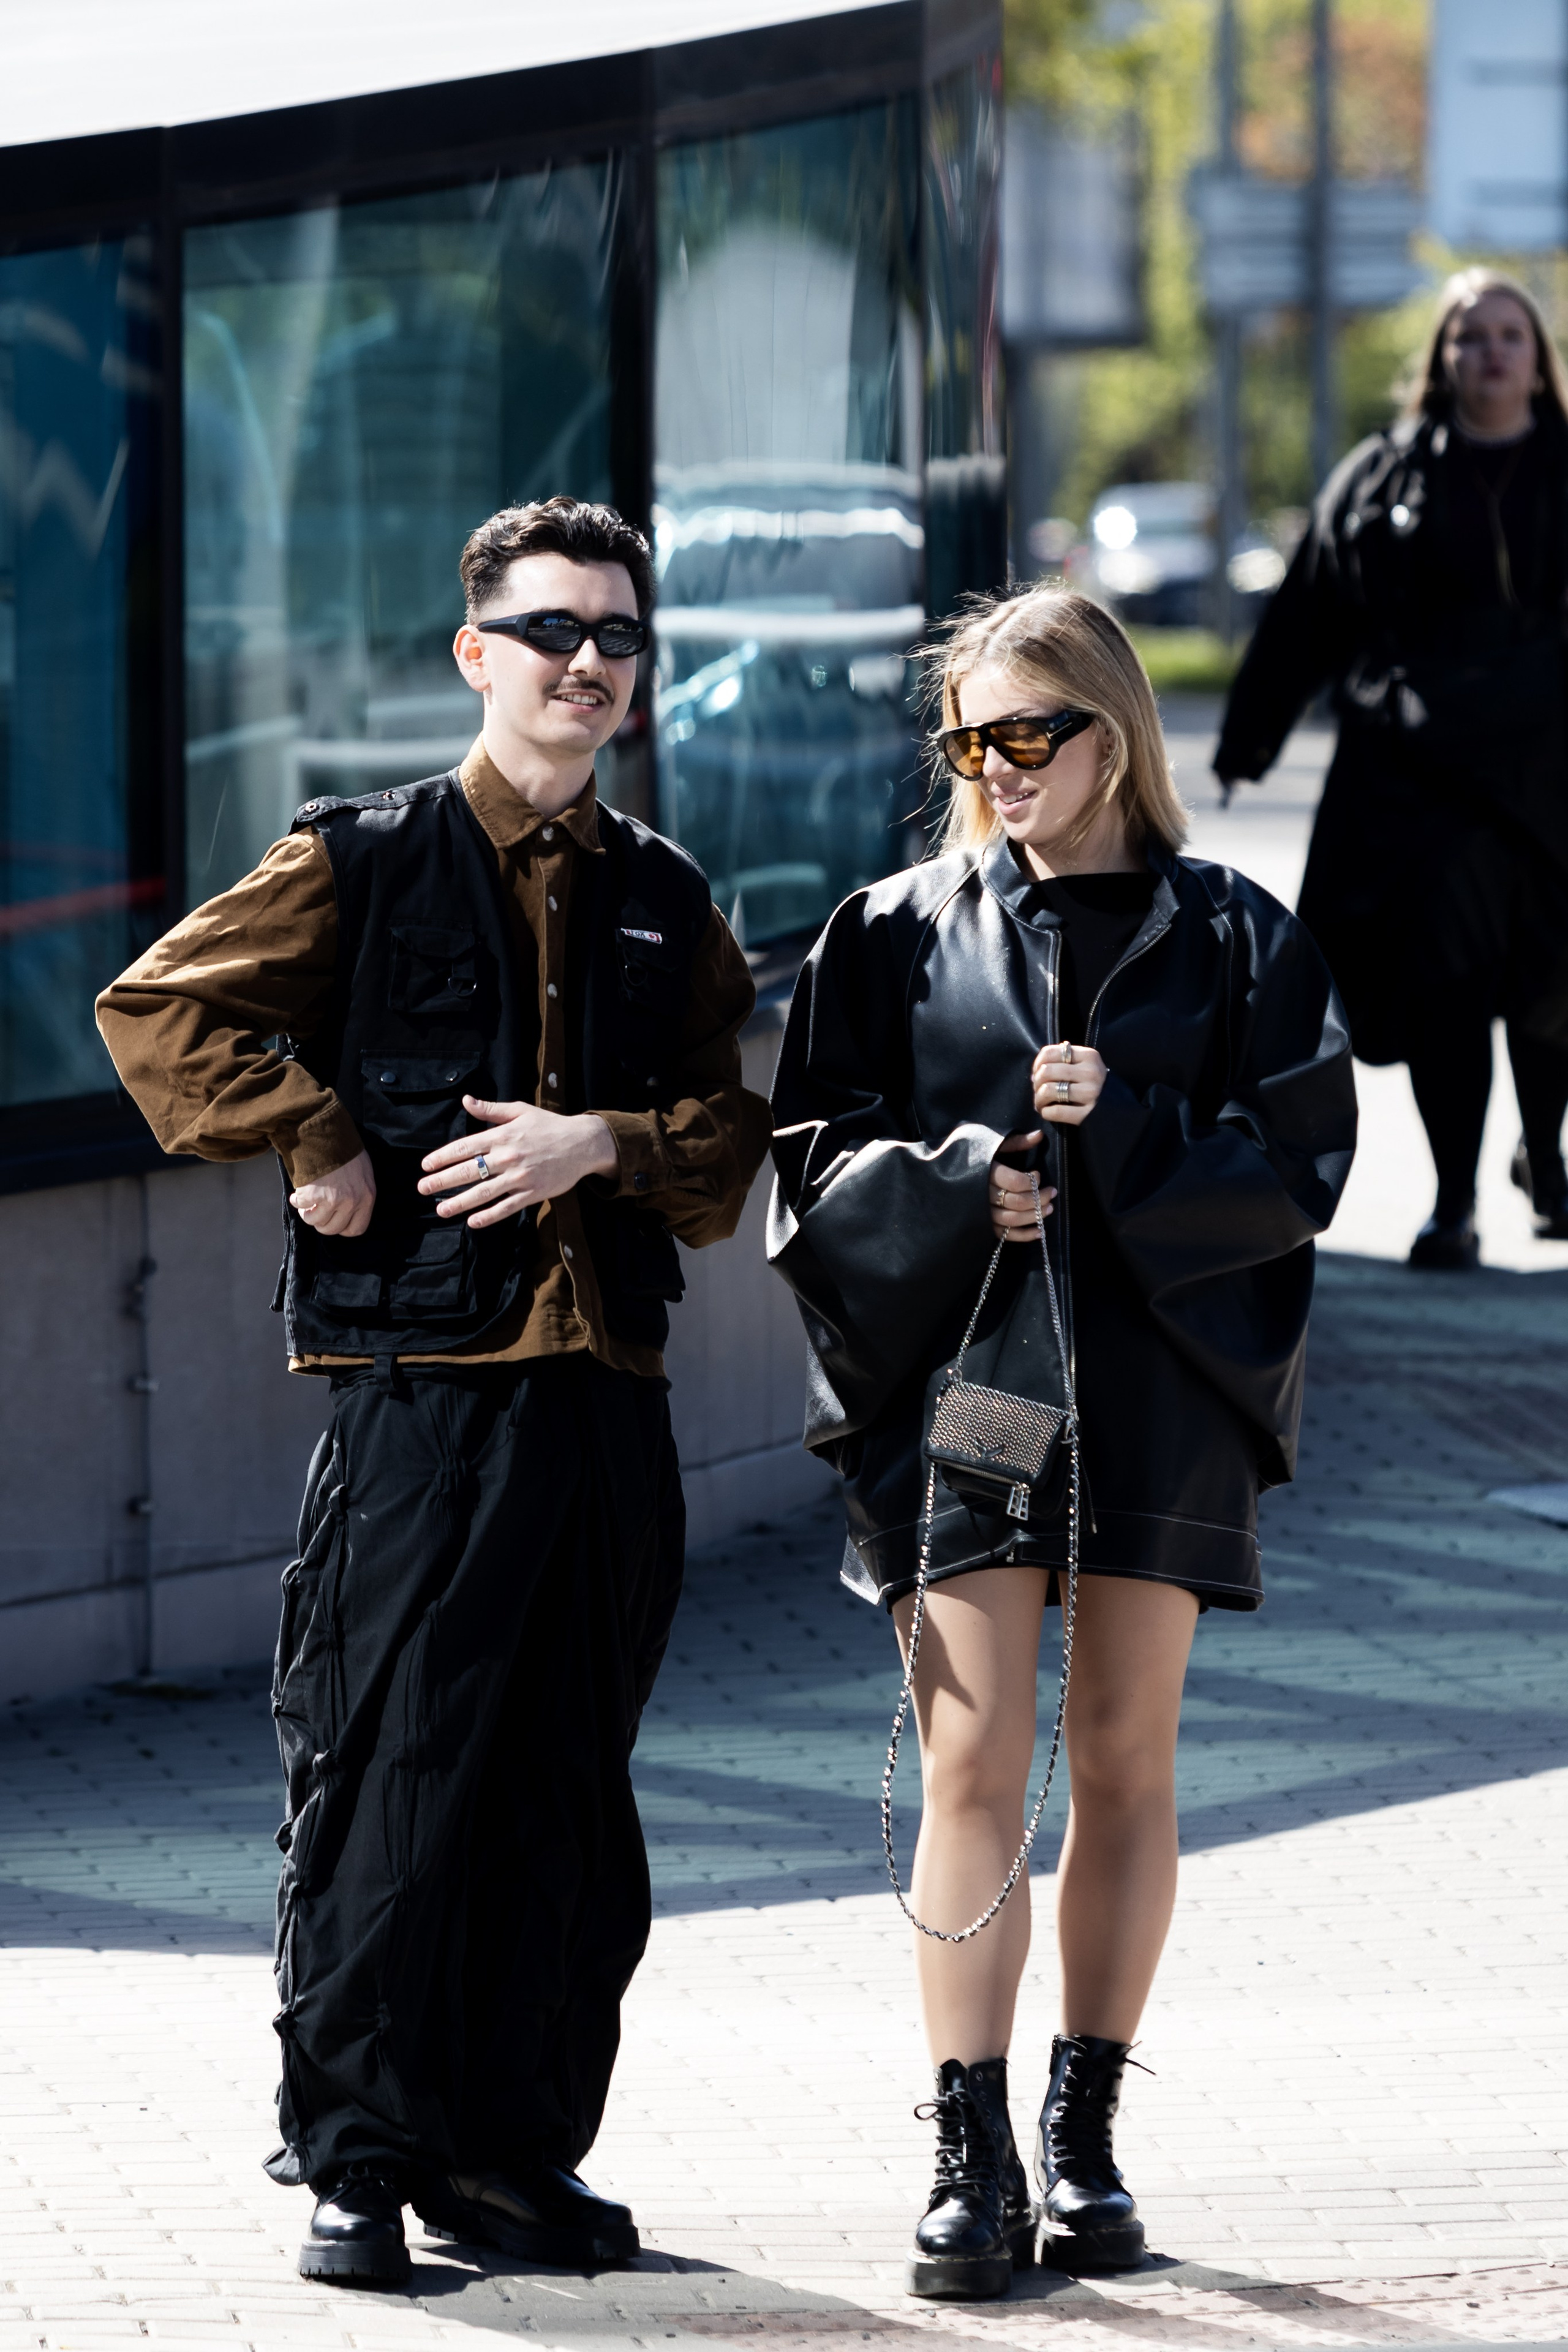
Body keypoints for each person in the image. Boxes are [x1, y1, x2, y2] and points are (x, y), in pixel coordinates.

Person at [96, 497, 770, 2286]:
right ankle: (359, 2159)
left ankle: (508, 2158)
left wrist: (594, 1144)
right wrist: (316, 1134)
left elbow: (724, 1150)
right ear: (475, 652)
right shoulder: (363, 859)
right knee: (395, 1771)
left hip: (608, 1397)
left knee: (570, 1794)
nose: (588, 663)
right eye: (553, 631)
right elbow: (160, 1015)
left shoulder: (667, 901)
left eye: (618, 636)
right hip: (423, 1396)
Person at [767, 586, 1355, 2300]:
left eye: (1034, 730)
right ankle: (972, 2153)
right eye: (973, 738)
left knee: (1120, 1757)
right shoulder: (889, 930)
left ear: (1117, 729)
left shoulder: (1238, 934)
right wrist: (971, 1186)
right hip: (969, 1384)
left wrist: (1141, 1135)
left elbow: (1300, 1169)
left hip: (1166, 1390)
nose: (1001, 767)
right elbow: (808, 1170)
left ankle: (1088, 2136)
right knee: (969, 1763)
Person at [1215, 267, 1568, 1270]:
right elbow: (1307, 616)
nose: (1491, 352)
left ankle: (1546, 1158)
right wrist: (1249, 741)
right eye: (1470, 336)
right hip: (1423, 784)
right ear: (1442, 360)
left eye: (1510, 335)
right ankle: (1453, 1203)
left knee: (1553, 984)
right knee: (1447, 991)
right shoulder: (1384, 477)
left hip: (1550, 775)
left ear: (1539, 363)